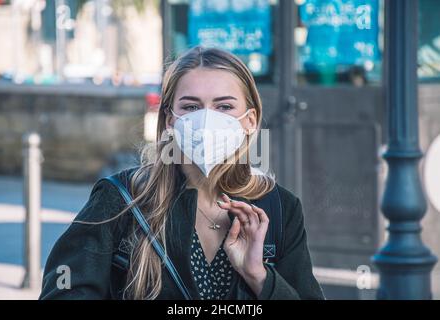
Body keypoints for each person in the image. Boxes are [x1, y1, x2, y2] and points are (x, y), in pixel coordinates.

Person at [39, 46, 325, 300]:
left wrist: (259, 276)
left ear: (250, 121)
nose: (206, 120)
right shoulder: (122, 199)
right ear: (170, 121)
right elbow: (65, 284)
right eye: (190, 107)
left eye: (224, 106)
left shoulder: (280, 209)